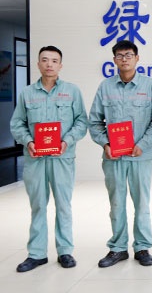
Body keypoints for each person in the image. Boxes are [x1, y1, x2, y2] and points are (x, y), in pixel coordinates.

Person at [10, 46, 88, 272]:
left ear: (60, 65)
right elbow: (17, 123)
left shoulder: (72, 91)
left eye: (54, 60)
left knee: (63, 204)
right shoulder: (27, 93)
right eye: (45, 60)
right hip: (35, 158)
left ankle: (65, 251)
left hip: (62, 157)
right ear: (38, 64)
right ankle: (37, 253)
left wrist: (67, 141)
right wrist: (28, 141)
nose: (49, 64)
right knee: (37, 205)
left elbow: (81, 121)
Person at [88, 40, 152, 268]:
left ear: (137, 58)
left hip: (140, 156)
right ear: (114, 60)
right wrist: (105, 144)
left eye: (129, 55)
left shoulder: (149, 86)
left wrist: (143, 144)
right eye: (120, 56)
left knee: (142, 203)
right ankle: (118, 248)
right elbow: (94, 121)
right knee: (116, 203)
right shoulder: (105, 87)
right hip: (114, 157)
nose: (124, 59)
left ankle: (142, 247)